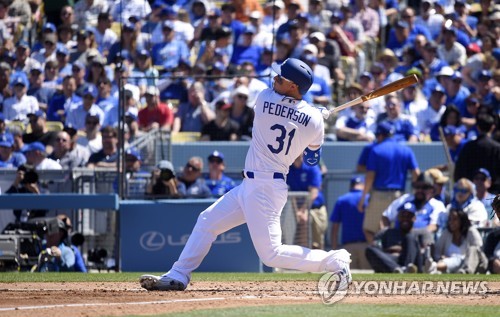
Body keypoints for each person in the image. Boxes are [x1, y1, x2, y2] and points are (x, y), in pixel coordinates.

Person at [140, 58, 352, 291]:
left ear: (293, 86)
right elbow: (312, 159)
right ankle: (178, 274)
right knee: (207, 221)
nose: (274, 79)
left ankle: (334, 260)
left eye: (280, 78)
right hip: (256, 185)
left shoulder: (264, 98)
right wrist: (315, 119)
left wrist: (310, 112)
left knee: (271, 255)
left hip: (264, 188)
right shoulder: (313, 121)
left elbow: (287, 109)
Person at [358, 121, 420, 244]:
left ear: (380, 135)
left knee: (369, 229)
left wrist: (363, 197)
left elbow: (370, 176)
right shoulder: (405, 150)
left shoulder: (376, 150)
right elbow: (416, 174)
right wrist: (414, 194)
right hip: (400, 196)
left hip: (379, 196)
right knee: (399, 230)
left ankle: (381, 255)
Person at [365, 201, 424, 273]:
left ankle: (404, 269)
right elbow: (376, 247)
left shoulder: (421, 232)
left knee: (410, 237)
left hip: (409, 262)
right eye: (403, 215)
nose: (405, 218)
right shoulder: (386, 232)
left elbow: (424, 252)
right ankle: (397, 270)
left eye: (408, 216)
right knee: (369, 249)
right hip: (390, 260)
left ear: (414, 218)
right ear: (398, 217)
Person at [427, 208, 487, 274]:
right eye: (450, 219)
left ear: (462, 220)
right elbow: (437, 252)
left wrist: (462, 257)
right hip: (448, 263)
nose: (451, 222)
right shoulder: (446, 233)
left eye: (454, 219)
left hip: (471, 263)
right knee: (451, 261)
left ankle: (433, 267)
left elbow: (478, 250)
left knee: (460, 257)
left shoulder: (471, 231)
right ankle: (434, 268)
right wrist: (441, 257)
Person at [287, 154, 328, 250]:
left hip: (315, 209)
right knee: (302, 242)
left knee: (317, 243)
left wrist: (303, 210)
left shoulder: (311, 167)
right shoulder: (289, 170)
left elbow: (314, 193)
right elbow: (292, 194)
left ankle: (319, 264)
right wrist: (297, 213)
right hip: (300, 212)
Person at [330, 176, 371, 270]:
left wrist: (334, 248)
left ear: (351, 186)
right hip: (367, 245)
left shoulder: (342, 200)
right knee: (368, 280)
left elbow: (335, 227)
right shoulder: (369, 198)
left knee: (349, 280)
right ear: (363, 185)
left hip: (348, 248)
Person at [455, 112, 500, 193]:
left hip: (471, 192)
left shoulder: (468, 146)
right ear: (492, 127)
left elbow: (459, 172)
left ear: (478, 127)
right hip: (494, 194)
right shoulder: (497, 148)